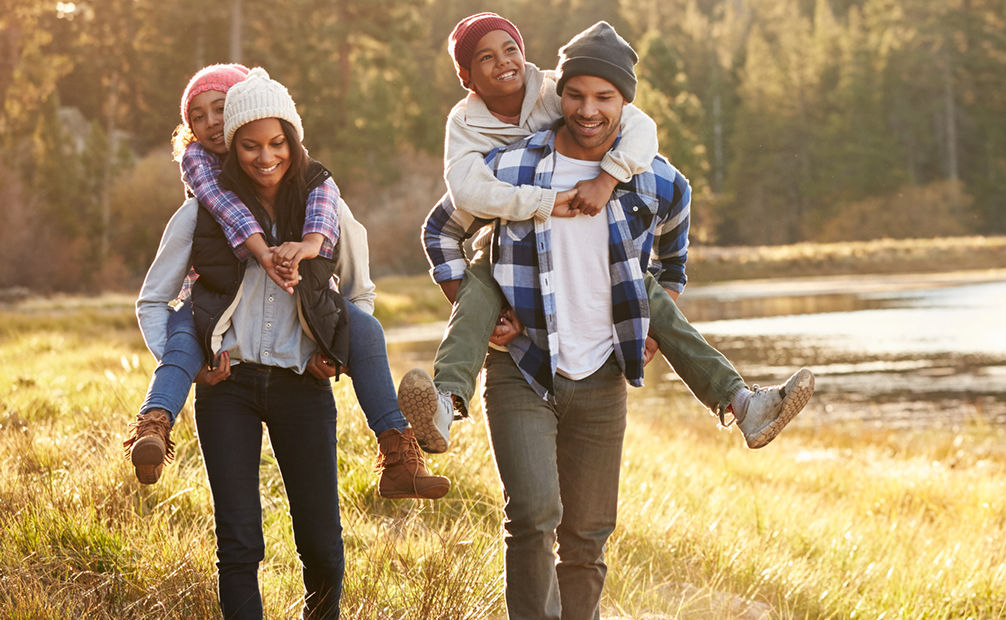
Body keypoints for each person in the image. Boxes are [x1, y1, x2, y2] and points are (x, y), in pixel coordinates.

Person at [400, 13, 814, 457]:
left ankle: (742, 403)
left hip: (598, 255)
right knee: (479, 287)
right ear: (466, 77)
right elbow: (458, 198)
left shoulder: (557, 92)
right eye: (486, 57)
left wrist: (609, 178)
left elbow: (639, 126)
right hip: (506, 250)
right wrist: (484, 308)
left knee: (647, 292)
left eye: (510, 49)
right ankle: (445, 403)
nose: (504, 62)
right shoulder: (469, 129)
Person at [421, 23, 707, 618]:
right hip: (522, 364)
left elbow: (673, 251)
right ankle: (447, 402)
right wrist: (474, 307)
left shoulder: (649, 173)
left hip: (602, 370)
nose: (588, 108)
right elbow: (442, 225)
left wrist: (659, 316)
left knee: (588, 536)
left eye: (605, 97)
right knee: (531, 516)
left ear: (625, 102)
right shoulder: (510, 161)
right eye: (577, 94)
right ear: (562, 92)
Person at [135, 67, 397, 619]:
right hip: (227, 389)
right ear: (232, 143)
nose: (264, 156)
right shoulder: (201, 213)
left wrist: (333, 350)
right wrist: (187, 364)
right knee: (238, 544)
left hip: (303, 385)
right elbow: (153, 301)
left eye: (275, 143)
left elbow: (360, 294)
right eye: (249, 144)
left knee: (322, 545)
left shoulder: (325, 210)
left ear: (291, 140)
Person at [125, 64, 447, 500]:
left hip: (300, 352)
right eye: (197, 117)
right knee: (183, 337)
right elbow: (221, 215)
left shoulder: (316, 188)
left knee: (366, 329)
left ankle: (397, 452)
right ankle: (154, 425)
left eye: (220, 110)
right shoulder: (203, 186)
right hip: (215, 318)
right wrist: (263, 253)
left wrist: (331, 345)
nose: (210, 124)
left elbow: (352, 269)